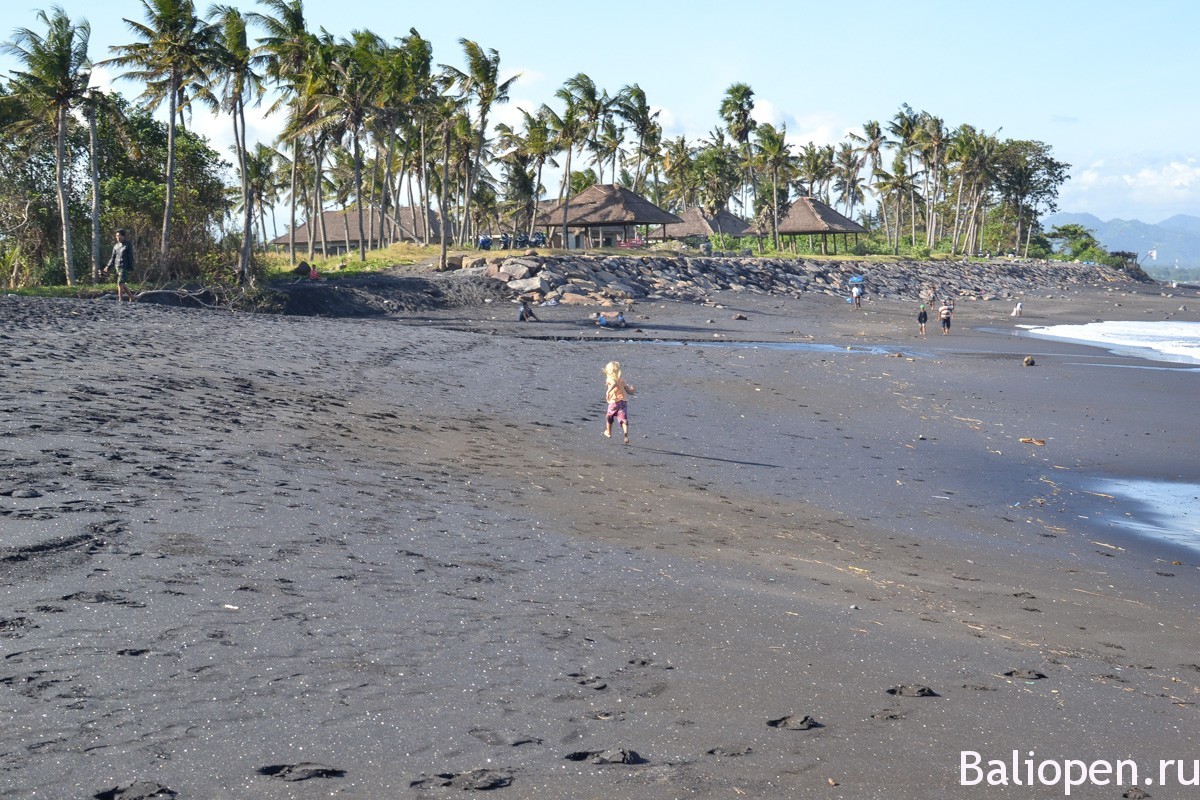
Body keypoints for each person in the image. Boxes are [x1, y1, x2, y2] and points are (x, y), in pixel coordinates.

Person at [603, 360, 635, 445]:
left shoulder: (609, 379)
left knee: (609, 416)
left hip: (614, 402)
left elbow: (613, 383)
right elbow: (629, 391)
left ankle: (608, 432)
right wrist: (632, 390)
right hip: (623, 402)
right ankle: (625, 435)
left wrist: (608, 391)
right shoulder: (621, 380)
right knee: (623, 419)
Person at [103, 228, 135, 303]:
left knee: (120, 282)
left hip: (124, 266)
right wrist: (108, 266)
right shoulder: (115, 246)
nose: (118, 237)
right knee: (122, 283)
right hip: (117, 266)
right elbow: (112, 258)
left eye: (119, 236)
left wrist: (131, 267)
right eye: (117, 236)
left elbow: (130, 256)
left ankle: (120, 300)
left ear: (123, 236)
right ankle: (132, 297)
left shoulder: (128, 244)